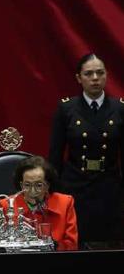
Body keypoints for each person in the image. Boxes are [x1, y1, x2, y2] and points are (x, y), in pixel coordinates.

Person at [49, 53, 124, 246]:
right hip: (75, 185)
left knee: (110, 243)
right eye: (88, 74)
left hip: (109, 185)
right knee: (76, 242)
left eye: (100, 73)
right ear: (78, 78)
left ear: (106, 75)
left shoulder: (119, 108)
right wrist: (54, 192)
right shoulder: (67, 109)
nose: (95, 78)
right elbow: (55, 154)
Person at [0, 155, 78, 251]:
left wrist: (53, 246)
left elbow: (71, 245)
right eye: (27, 185)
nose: (33, 191)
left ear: (47, 185)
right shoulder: (7, 205)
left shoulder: (65, 203)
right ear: (21, 185)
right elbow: (1, 245)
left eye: (39, 185)